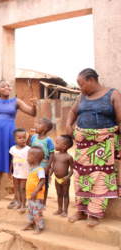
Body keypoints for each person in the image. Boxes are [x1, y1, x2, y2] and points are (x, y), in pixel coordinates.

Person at [66, 68, 121, 227]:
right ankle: (81, 211)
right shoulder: (82, 96)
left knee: (100, 178)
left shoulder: (113, 94)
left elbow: (119, 119)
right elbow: (72, 111)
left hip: (103, 146)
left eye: (81, 84)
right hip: (83, 145)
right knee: (80, 177)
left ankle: (95, 214)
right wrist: (68, 124)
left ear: (91, 80)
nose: (80, 88)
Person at [0, 80, 37, 204]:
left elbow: (32, 113)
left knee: (14, 164)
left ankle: (17, 198)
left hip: (9, 135)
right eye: (3, 86)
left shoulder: (16, 101)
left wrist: (35, 105)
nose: (6, 87)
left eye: (8, 86)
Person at [30, 118, 54, 206]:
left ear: (45, 128)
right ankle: (33, 199)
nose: (36, 125)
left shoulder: (48, 140)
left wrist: (48, 166)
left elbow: (52, 154)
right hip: (33, 166)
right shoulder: (33, 137)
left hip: (44, 165)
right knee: (33, 182)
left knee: (44, 183)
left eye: (39, 123)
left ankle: (43, 202)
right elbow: (30, 149)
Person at [23, 146, 46, 234]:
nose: (27, 158)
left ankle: (39, 227)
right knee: (30, 211)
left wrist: (35, 191)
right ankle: (31, 224)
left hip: (36, 195)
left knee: (37, 212)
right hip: (30, 195)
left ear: (34, 158)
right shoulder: (32, 169)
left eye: (28, 156)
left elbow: (42, 180)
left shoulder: (40, 169)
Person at [50, 135, 74, 217]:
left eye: (57, 143)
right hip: (57, 179)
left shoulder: (69, 157)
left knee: (65, 194)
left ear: (64, 146)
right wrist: (50, 175)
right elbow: (53, 166)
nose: (54, 144)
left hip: (65, 180)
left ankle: (65, 211)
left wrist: (67, 177)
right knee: (59, 194)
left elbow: (72, 170)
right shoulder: (55, 155)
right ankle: (59, 209)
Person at [9, 128, 30, 213]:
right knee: (16, 188)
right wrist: (10, 171)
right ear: (15, 139)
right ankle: (18, 202)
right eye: (19, 138)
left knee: (23, 188)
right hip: (16, 173)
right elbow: (12, 160)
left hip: (25, 173)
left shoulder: (28, 149)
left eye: (24, 137)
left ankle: (23, 204)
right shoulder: (13, 149)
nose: (22, 139)